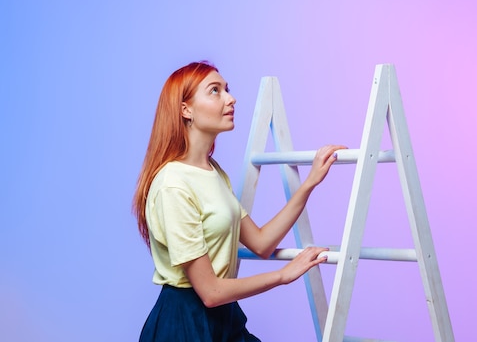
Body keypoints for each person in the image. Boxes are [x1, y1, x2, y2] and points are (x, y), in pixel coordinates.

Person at [132, 61, 345, 342]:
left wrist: (309, 184)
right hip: (184, 323)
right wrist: (283, 275)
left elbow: (260, 242)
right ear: (186, 110)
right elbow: (209, 293)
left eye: (227, 90)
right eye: (215, 91)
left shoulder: (213, 171)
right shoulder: (173, 184)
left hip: (224, 316)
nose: (231, 98)